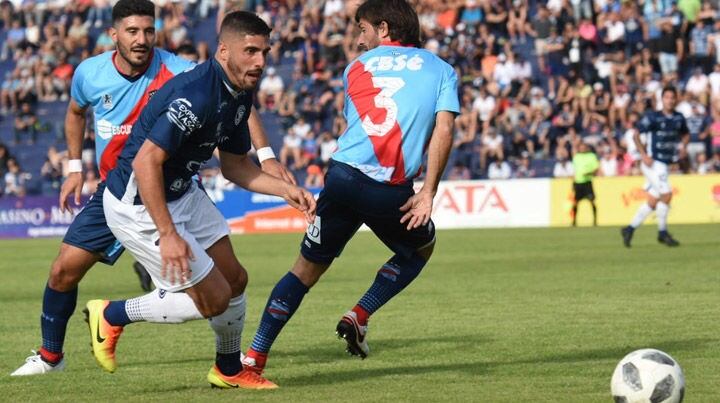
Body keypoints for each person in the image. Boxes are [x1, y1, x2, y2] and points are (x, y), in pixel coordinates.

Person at [10, 0, 291, 377]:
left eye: (148, 31)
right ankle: (50, 358)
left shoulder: (178, 70)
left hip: (168, 188)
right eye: (132, 31)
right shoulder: (89, 74)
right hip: (122, 190)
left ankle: (225, 365)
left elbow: (234, 95)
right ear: (114, 35)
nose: (141, 39)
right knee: (63, 271)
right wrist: (74, 166)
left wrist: (267, 154)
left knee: (227, 283)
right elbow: (76, 113)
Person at [241, 0, 459, 385]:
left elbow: (360, 124)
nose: (359, 40)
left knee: (304, 270)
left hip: (340, 177)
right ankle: (360, 314)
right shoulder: (441, 70)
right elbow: (443, 130)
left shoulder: (355, 68)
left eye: (363, 30)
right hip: (386, 189)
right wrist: (427, 192)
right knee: (421, 248)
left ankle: (255, 357)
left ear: (385, 29)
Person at [94, 10, 315, 389]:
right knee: (215, 299)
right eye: (251, 51)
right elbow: (147, 162)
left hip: (182, 191)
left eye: (265, 52)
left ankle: (227, 370)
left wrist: (285, 190)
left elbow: (235, 169)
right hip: (140, 204)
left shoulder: (240, 95)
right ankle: (112, 314)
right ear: (224, 51)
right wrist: (168, 234)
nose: (260, 62)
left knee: (235, 280)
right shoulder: (195, 95)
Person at [621, 86, 689, 248]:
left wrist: (683, 146)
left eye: (672, 97)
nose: (670, 100)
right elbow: (636, 134)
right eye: (667, 97)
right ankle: (662, 232)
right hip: (653, 163)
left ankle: (629, 229)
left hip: (665, 164)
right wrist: (644, 155)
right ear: (662, 99)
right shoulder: (653, 117)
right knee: (666, 195)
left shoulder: (679, 118)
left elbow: (685, 134)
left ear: (676, 99)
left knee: (653, 200)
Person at [571, 142, 599, 226]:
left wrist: (589, 173)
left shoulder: (591, 156)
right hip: (578, 182)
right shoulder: (576, 157)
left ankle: (595, 221)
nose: (582, 149)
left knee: (592, 201)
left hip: (587, 182)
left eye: (584, 147)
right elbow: (575, 171)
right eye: (581, 147)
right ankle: (574, 222)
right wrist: (573, 183)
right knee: (575, 203)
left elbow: (595, 169)